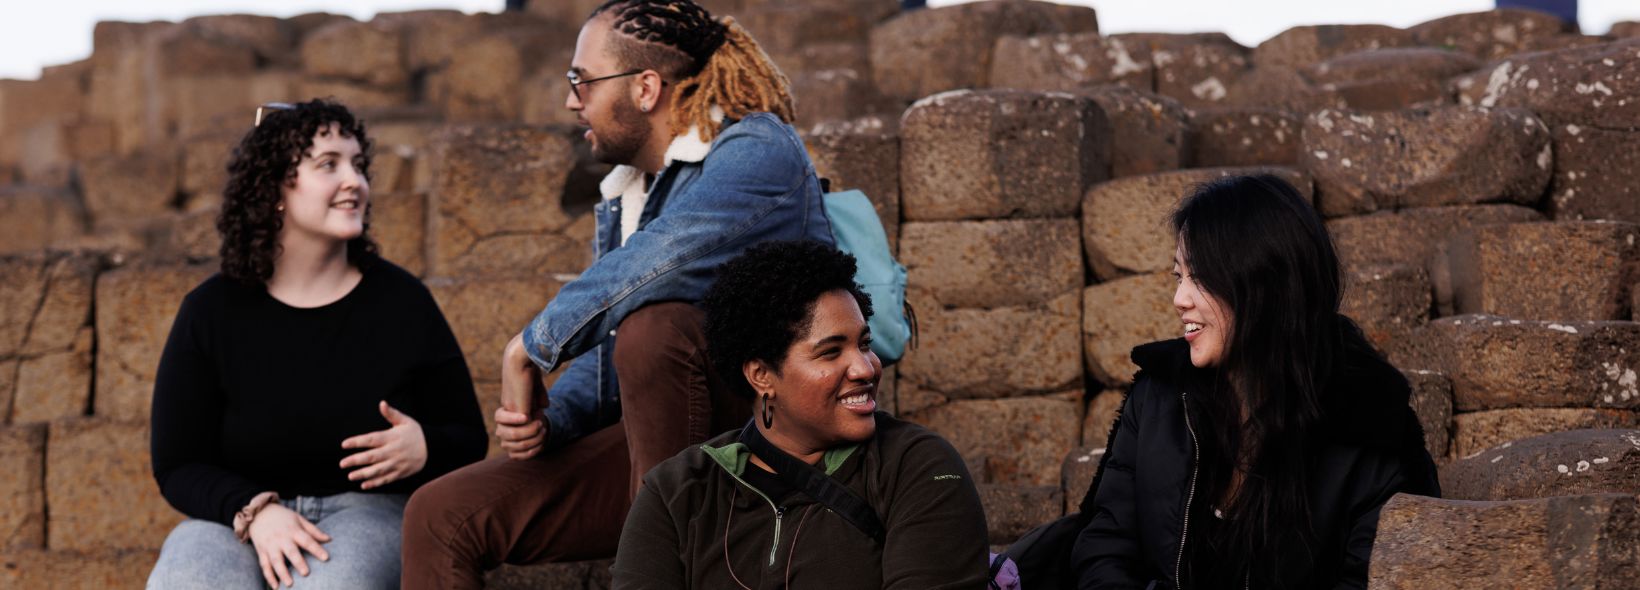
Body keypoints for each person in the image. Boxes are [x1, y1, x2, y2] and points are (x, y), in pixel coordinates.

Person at [399, 1, 833, 587]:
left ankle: (655, 571)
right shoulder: (631, 193)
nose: (571, 99)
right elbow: (611, 357)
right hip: (666, 450)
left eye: (582, 79)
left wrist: (530, 346)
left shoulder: (758, 148)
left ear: (646, 87)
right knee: (441, 514)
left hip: (775, 436)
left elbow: (667, 260)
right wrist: (557, 421)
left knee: (656, 327)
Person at [146, 99, 488, 590]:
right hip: (238, 517)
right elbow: (177, 463)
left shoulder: (401, 301)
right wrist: (255, 511)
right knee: (187, 581)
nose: (355, 180)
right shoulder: (209, 311)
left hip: (369, 514)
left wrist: (425, 446)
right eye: (329, 164)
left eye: (358, 164)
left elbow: (468, 437)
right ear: (276, 189)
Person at [1072, 175, 1440, 589]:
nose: (1180, 299)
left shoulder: (1372, 426)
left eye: (1201, 278)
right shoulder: (1158, 398)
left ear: (1265, 285)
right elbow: (1104, 545)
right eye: (1179, 276)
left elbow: (1373, 578)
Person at [611, 239, 988, 588]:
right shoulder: (677, 491)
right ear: (761, 375)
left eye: (864, 344)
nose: (865, 368)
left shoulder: (917, 466)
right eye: (830, 352)